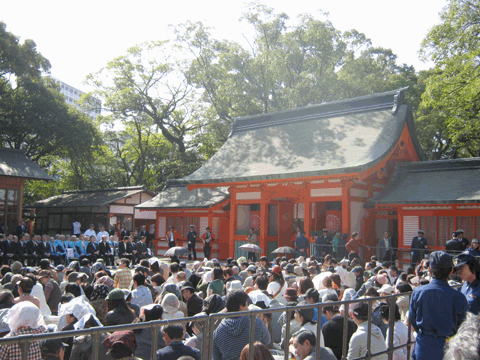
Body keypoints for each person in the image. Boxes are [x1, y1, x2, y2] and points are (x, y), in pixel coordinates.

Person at [409, 251, 468, 360]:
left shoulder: (418, 292)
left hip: (424, 344)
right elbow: (463, 324)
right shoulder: (458, 296)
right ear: (451, 271)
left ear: (430, 271)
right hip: (449, 345)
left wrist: (426, 334)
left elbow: (412, 319)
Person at [212, 290, 270, 360]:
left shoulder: (218, 330)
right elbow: (267, 341)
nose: (248, 308)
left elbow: (215, 357)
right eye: (246, 304)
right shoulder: (255, 322)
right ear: (241, 306)